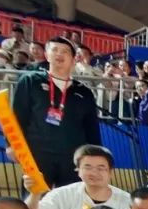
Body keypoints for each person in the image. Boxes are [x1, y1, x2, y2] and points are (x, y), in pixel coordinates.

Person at [11, 37, 101, 187]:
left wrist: (96, 155)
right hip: (37, 153)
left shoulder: (84, 91)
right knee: (35, 196)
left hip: (73, 156)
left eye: (65, 51)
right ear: (47, 55)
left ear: (73, 60)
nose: (59, 54)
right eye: (55, 50)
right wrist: (12, 145)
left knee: (69, 198)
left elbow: (91, 127)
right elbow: (18, 115)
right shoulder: (31, 81)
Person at [25, 144, 132, 209]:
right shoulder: (62, 194)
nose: (94, 173)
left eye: (101, 168)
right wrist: (35, 194)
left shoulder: (126, 201)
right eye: (88, 167)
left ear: (110, 172)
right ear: (78, 170)